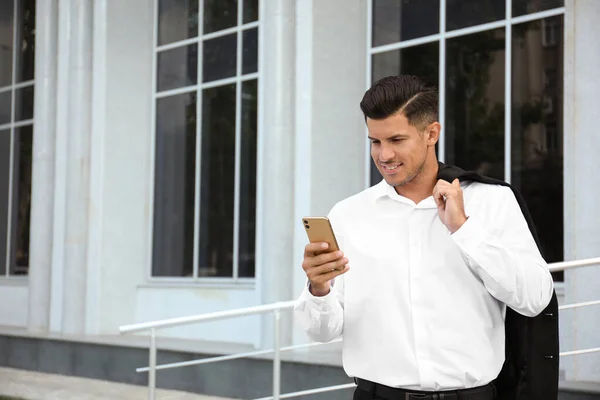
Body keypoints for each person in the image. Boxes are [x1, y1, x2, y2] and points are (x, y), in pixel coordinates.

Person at [294, 75, 555, 400]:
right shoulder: (348, 216)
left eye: (396, 140)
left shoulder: (492, 202)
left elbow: (535, 300)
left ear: (431, 133)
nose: (384, 155)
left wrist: (465, 230)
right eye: (375, 142)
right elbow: (322, 333)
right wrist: (318, 290)